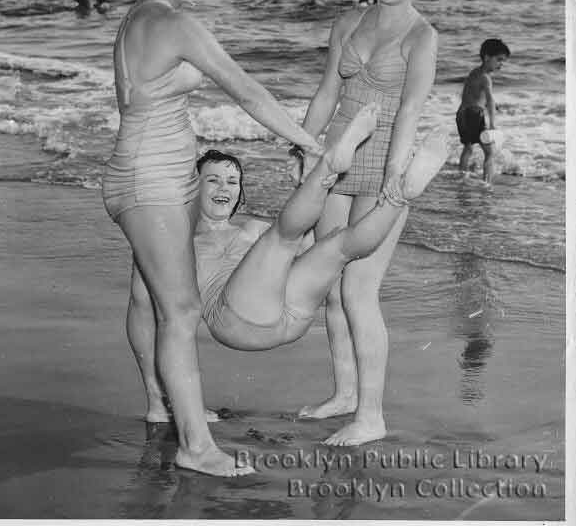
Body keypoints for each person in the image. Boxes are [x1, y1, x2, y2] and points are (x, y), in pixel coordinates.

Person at [102, 0, 322, 477]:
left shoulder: (136, 17)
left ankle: (164, 404)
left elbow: (138, 102)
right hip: (153, 181)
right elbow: (248, 90)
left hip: (146, 175)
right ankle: (196, 447)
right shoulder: (174, 21)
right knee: (181, 310)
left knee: (155, 299)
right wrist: (311, 145)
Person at [133, 113, 449, 421]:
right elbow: (143, 309)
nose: (224, 188)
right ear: (193, 189)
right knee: (282, 236)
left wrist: (307, 207)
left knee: (338, 245)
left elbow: (308, 250)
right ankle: (327, 168)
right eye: (212, 180)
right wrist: (162, 399)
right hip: (236, 321)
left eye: (232, 181)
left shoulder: (251, 229)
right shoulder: (175, 242)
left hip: (292, 313)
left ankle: (401, 195)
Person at [290, 0, 438, 446]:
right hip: (336, 160)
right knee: (330, 285)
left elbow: (411, 112)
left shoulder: (423, 36)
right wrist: (304, 147)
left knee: (359, 289)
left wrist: (397, 179)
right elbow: (328, 91)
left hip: (381, 169)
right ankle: (345, 395)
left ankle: (372, 416)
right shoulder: (347, 20)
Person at [456, 38, 510, 184]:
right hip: (474, 114)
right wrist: (492, 123)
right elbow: (490, 100)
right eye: (499, 60)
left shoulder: (474, 72)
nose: (501, 64)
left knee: (468, 147)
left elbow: (473, 95)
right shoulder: (486, 78)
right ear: (487, 57)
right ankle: (487, 184)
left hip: (462, 114)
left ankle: (461, 177)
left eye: (503, 61)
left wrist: (492, 104)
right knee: (490, 152)